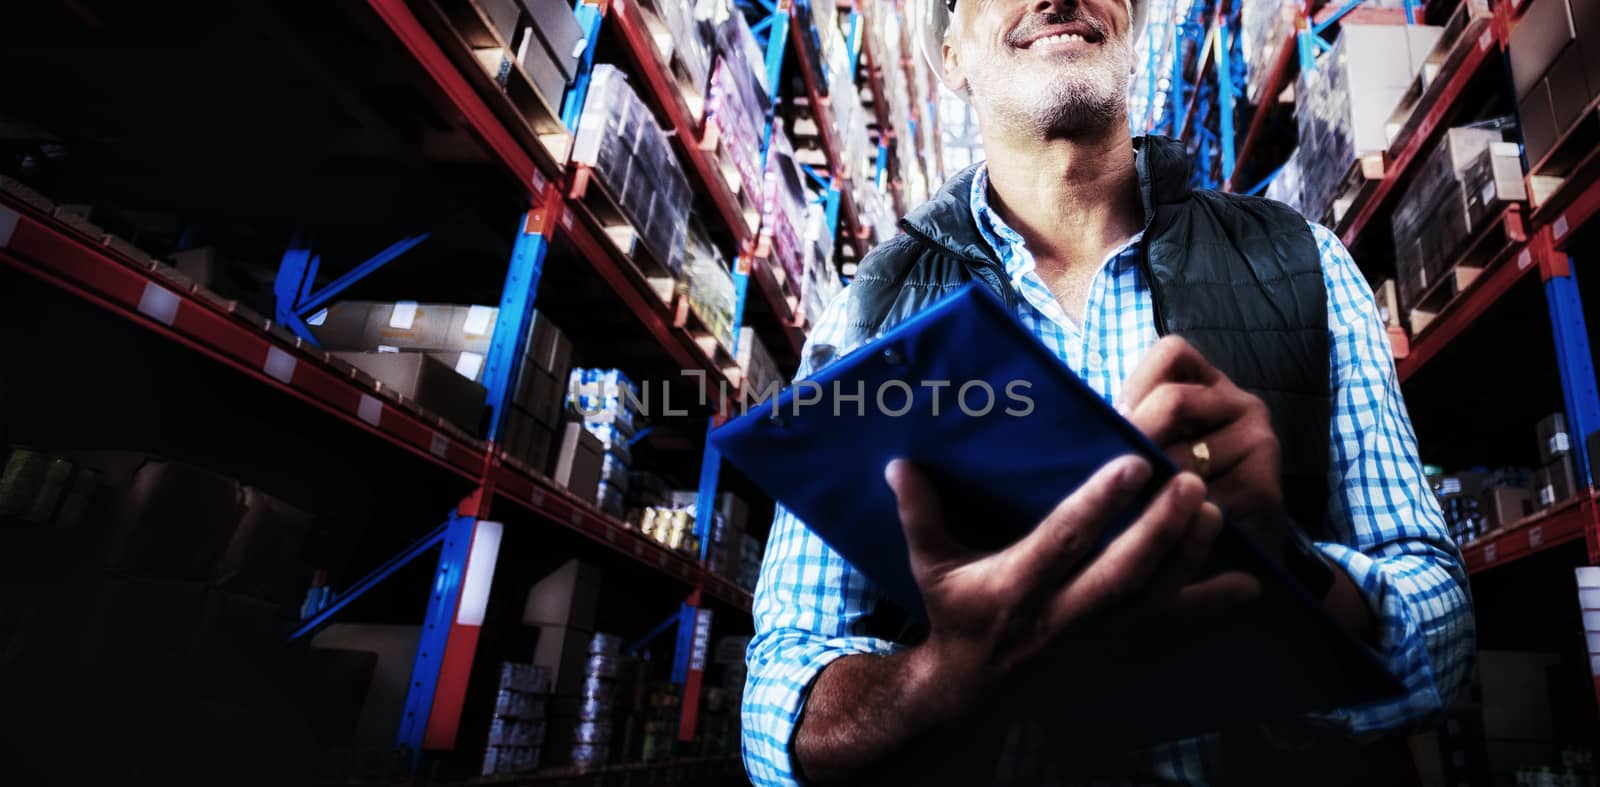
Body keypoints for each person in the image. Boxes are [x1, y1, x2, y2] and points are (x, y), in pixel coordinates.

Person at [741, 0, 1474, 783]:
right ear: (949, 55)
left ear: (1134, 27)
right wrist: (941, 677)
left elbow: (1444, 622)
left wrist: (1287, 573)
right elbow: (780, 689)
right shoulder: (868, 318)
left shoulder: (1306, 266)